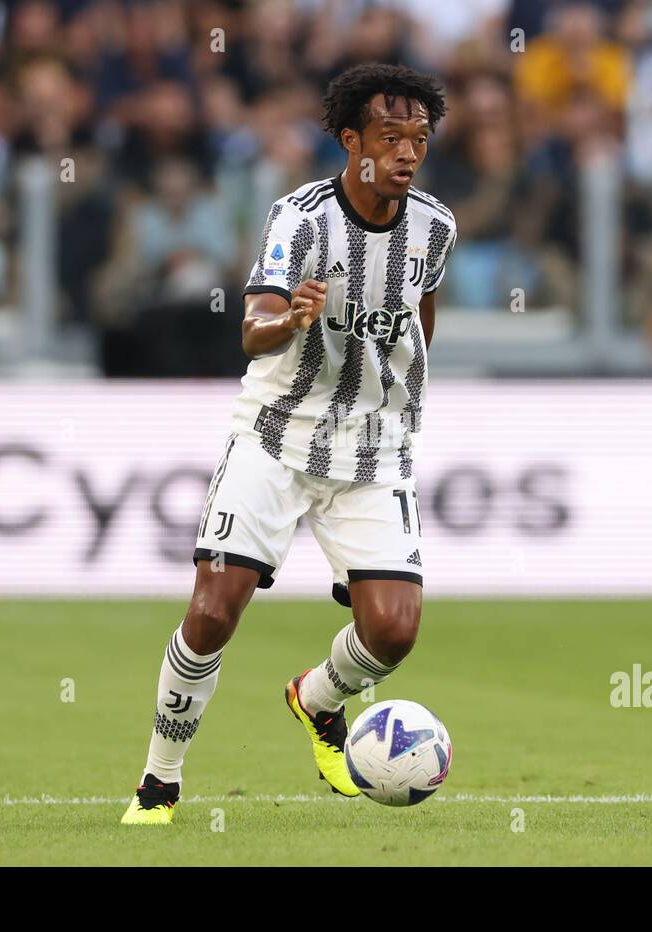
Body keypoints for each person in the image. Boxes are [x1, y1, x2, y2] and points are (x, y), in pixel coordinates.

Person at [121, 63, 456, 825]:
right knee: (211, 613)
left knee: (394, 630)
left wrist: (399, 397)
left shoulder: (435, 227)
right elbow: (252, 331)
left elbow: (419, 319)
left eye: (420, 139)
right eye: (391, 136)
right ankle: (159, 782)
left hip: (373, 447)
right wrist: (293, 322)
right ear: (350, 140)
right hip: (278, 436)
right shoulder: (300, 220)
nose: (408, 152)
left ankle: (316, 699)